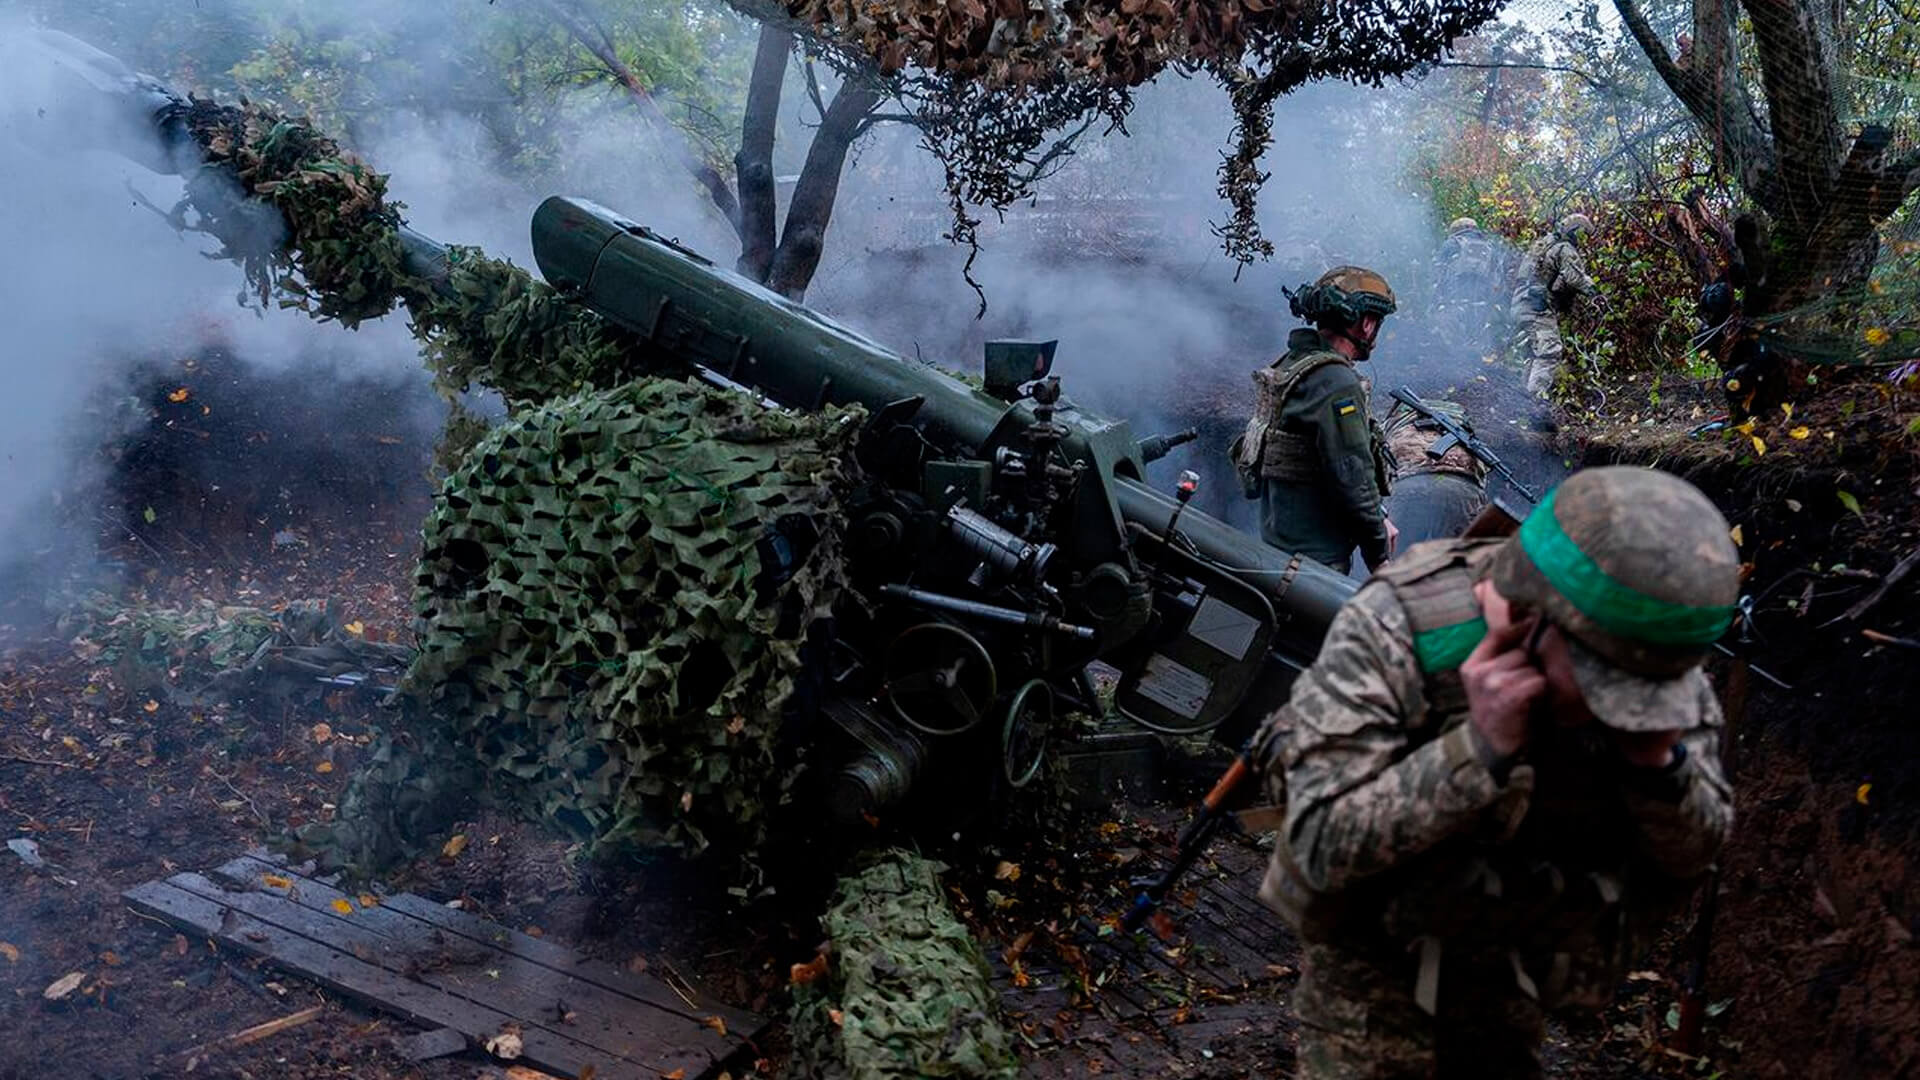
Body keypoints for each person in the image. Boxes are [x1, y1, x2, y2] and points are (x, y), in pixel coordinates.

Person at [1252, 465, 1737, 1079]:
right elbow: (1317, 841)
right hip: (1371, 974)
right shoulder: (1403, 622)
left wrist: (1657, 766)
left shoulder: (1648, 643)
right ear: (1528, 618)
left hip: (1521, 970)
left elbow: (1699, 849)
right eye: (1601, 684)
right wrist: (1477, 750)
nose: (1618, 711)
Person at [1231, 266, 1400, 575]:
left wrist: (1378, 513)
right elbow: (1353, 476)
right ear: (1366, 323)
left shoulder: (1294, 365)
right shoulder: (1336, 382)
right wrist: (1379, 558)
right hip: (1314, 564)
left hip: (1279, 547)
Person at [1378, 391, 1489, 547]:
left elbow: (1375, 473)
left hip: (1409, 485)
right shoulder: (1467, 433)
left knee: (1399, 558)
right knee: (1450, 561)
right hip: (1462, 489)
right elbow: (1481, 479)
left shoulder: (1393, 426)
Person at [1511, 213, 1601, 402]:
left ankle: (1520, 404)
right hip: (1537, 308)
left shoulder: (1542, 245)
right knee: (1549, 352)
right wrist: (1594, 291)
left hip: (1520, 304)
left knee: (1533, 355)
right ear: (1576, 232)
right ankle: (1535, 402)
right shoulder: (1565, 248)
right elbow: (1573, 278)